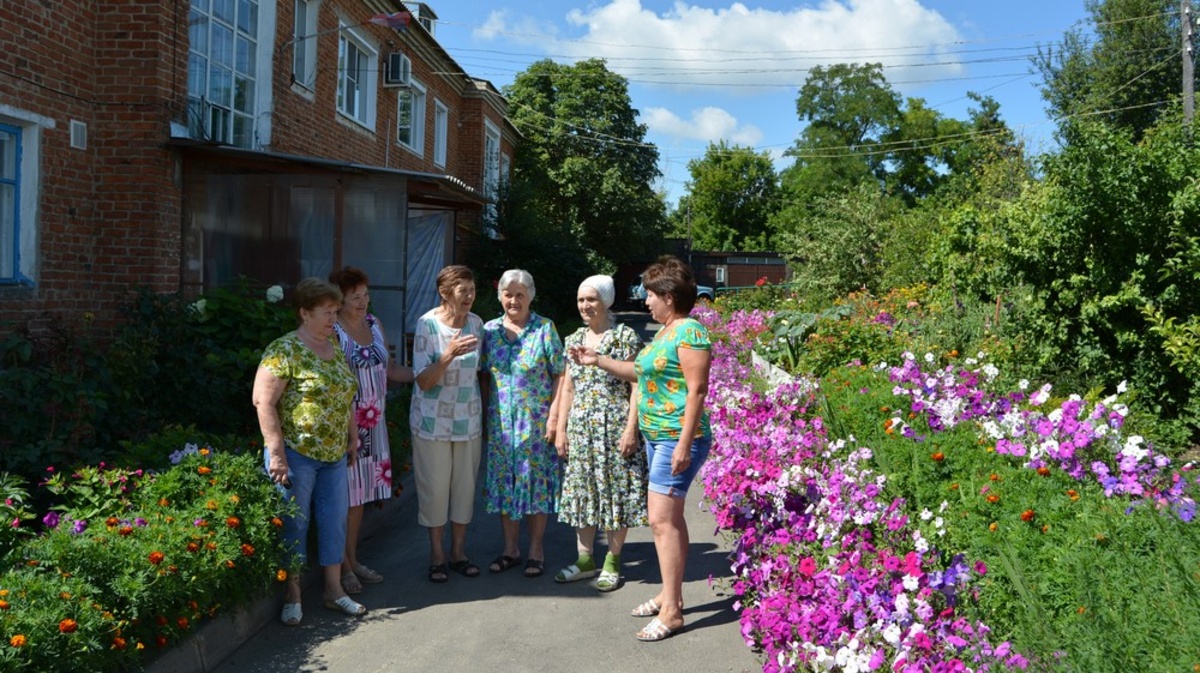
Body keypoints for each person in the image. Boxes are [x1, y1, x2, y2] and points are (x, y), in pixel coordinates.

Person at [569, 256, 712, 642]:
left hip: (675, 440)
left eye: (650, 294)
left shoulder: (690, 333)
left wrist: (684, 443)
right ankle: (670, 594)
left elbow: (697, 390)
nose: (646, 301)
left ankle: (672, 612)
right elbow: (640, 371)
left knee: (661, 523)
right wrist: (597, 360)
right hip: (658, 438)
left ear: (668, 295)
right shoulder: (666, 332)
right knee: (672, 521)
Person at [252, 277, 368, 626]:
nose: (334, 318)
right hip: (296, 455)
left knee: (333, 523)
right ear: (304, 313)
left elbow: (346, 395)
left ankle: (334, 591)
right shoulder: (284, 349)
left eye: (335, 311)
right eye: (327, 312)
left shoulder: (333, 345)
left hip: (333, 456)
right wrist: (276, 454)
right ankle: (293, 594)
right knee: (294, 525)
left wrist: (352, 437)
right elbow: (263, 402)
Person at [553, 275, 647, 592]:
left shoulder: (624, 337)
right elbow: (568, 387)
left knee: (615, 493)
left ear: (605, 301)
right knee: (583, 492)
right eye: (581, 300)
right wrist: (561, 429)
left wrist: (631, 429)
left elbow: (637, 385)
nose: (585, 306)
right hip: (582, 430)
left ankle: (612, 562)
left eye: (591, 299)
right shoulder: (573, 339)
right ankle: (584, 560)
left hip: (615, 426)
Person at [329, 266, 413, 595]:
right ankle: (345, 566)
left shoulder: (374, 324)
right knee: (343, 499)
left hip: (374, 422)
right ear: (339, 299)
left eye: (366, 294)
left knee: (359, 497)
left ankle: (353, 558)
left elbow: (390, 370)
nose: (363, 302)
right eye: (355, 297)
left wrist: (428, 372)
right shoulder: (333, 330)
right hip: (348, 425)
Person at [481, 269, 566, 578]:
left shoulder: (544, 328)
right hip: (501, 425)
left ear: (530, 296)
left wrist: (555, 416)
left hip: (536, 426)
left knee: (535, 486)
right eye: (508, 294)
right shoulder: (489, 331)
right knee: (506, 486)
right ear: (500, 296)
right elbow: (484, 376)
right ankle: (510, 549)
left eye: (520, 294)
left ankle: (536, 550)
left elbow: (561, 373)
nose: (513, 300)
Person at [411, 264, 485, 584]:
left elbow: (481, 374)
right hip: (432, 424)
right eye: (463, 290)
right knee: (435, 490)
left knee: (464, 491)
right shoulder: (427, 325)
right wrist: (449, 353)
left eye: (472, 289)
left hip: (467, 422)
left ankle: (459, 552)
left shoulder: (477, 323)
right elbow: (424, 381)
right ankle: (437, 554)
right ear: (445, 293)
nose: (469, 296)